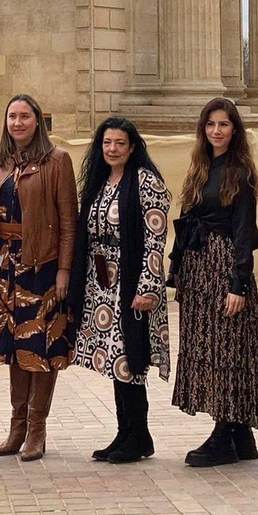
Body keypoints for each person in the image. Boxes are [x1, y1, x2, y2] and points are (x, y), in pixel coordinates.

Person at [169, 97, 258, 467]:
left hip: (224, 267)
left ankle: (224, 433)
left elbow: (244, 231)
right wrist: (177, 266)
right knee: (209, 348)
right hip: (198, 270)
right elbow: (185, 220)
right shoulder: (199, 167)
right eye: (211, 124)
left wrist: (238, 284)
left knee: (227, 350)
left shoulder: (239, 172)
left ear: (234, 130)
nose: (216, 131)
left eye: (224, 124)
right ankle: (240, 436)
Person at [71, 116, 170, 465]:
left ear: (132, 147)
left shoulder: (145, 182)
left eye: (120, 143)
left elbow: (155, 239)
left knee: (130, 358)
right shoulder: (99, 181)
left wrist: (147, 287)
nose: (113, 149)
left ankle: (139, 436)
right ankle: (125, 432)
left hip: (131, 284)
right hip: (101, 284)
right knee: (116, 363)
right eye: (107, 143)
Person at [0, 93, 76, 460]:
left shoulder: (57, 160)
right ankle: (16, 426)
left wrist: (65, 270)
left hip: (42, 266)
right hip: (4, 265)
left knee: (39, 348)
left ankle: (37, 428)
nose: (18, 123)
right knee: (13, 348)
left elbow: (69, 220)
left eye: (25, 116)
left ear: (37, 121)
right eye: (12, 116)